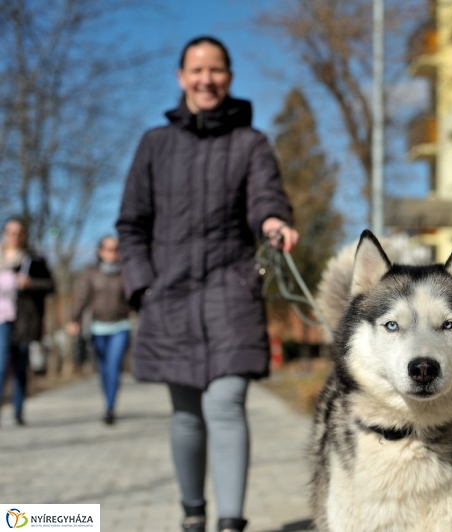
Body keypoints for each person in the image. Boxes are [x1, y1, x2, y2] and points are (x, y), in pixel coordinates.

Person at [116, 36, 298, 532]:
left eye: (216, 70)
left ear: (229, 77)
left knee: (225, 402)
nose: (206, 79)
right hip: (169, 295)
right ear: (181, 78)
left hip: (231, 291)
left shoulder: (251, 143)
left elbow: (267, 198)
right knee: (186, 413)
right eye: (196, 70)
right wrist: (142, 287)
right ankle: (192, 514)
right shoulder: (155, 144)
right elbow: (131, 223)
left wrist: (274, 223)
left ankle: (231, 523)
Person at [66, 235, 131, 425]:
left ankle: (110, 408)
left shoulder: (125, 272)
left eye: (116, 249)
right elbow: (81, 297)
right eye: (109, 249)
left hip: (121, 325)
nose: (113, 253)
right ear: (100, 251)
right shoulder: (91, 273)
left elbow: (134, 298)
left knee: (114, 366)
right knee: (103, 369)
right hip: (98, 328)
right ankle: (107, 400)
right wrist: (74, 319)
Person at [0, 217, 55, 427]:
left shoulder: (34, 260)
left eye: (19, 232)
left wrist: (30, 283)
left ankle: (18, 410)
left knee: (20, 366)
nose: (14, 236)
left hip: (24, 320)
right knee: (2, 363)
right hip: (2, 320)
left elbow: (50, 285)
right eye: (10, 232)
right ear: (5, 233)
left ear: (24, 235)